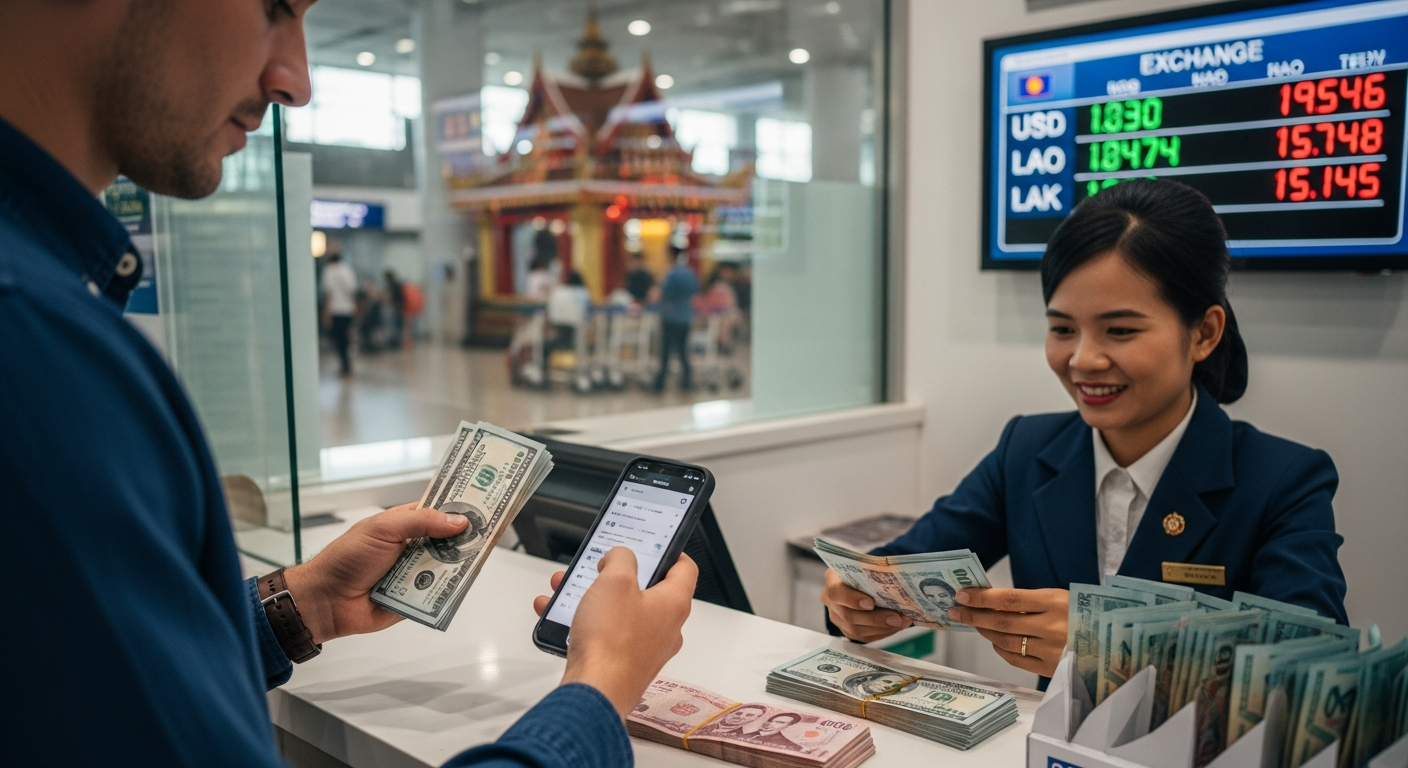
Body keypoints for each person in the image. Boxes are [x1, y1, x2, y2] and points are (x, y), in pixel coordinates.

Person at [0, 1, 698, 765]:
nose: (295, 82)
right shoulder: (36, 345)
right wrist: (600, 688)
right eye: (274, 7)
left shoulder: (49, 313)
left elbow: (85, 682)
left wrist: (302, 605)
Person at [822, 180, 1347, 681]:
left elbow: (1310, 665)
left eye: (1120, 330)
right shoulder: (1025, 451)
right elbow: (904, 566)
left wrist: (1112, 644)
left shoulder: (1282, 481)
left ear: (1204, 333)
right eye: (1062, 329)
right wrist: (854, 600)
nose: (1083, 359)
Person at [654, 247, 699, 392]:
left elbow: (664, 293)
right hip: (685, 317)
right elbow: (695, 291)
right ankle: (687, 381)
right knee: (683, 351)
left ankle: (660, 383)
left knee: (666, 352)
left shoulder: (671, 273)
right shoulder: (690, 273)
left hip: (671, 317)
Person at [322, 250, 357, 376]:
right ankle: (347, 364)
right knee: (346, 338)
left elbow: (330, 292)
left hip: (336, 309)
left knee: (339, 340)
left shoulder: (329, 270)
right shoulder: (347, 270)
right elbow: (352, 290)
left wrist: (326, 310)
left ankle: (345, 365)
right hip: (348, 309)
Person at [384, 269, 405, 349]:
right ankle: (396, 341)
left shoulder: (394, 286)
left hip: (396, 308)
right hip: (398, 308)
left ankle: (396, 342)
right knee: (396, 325)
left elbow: (393, 297)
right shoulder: (396, 285)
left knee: (395, 325)